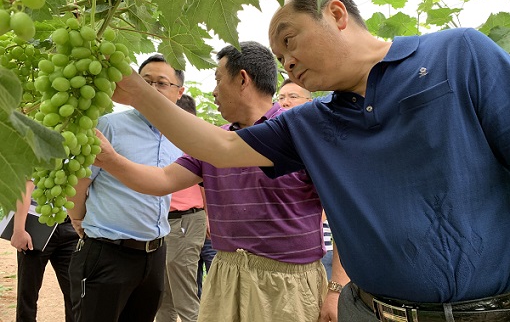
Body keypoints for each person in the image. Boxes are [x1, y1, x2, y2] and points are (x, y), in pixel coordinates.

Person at [107, 0, 510, 322]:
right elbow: (220, 146)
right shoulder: (310, 122)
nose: (288, 63)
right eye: (280, 58)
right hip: (367, 311)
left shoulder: (458, 54)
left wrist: (332, 287)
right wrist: (137, 93)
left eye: (289, 40)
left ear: (336, 14)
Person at [94, 41, 348, 322]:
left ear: (242, 79)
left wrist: (336, 289)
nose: (214, 91)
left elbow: (344, 216)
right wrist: (109, 160)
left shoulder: (299, 132)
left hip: (287, 286)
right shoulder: (212, 142)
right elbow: (162, 179)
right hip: (225, 275)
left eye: (217, 79)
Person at [67, 54, 184, 322]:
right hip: (108, 253)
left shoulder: (180, 136)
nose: (152, 90)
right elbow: (79, 182)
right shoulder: (109, 126)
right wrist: (78, 218)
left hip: (154, 256)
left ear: (179, 92)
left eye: (162, 83)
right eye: (146, 82)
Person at [156, 94, 207, 322]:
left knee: (184, 296)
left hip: (186, 220)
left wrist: (211, 219)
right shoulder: (160, 141)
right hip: (161, 223)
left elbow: (207, 184)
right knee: (163, 297)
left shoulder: (195, 142)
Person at [277, 79, 334, 279]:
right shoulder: (274, 146)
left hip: (318, 243)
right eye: (281, 98)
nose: (285, 103)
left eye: (293, 97)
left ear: (310, 102)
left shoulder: (321, 142)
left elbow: (332, 195)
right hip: (283, 249)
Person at [10, 180, 78, 322]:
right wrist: (19, 230)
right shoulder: (39, 157)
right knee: (28, 291)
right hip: (37, 225)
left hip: (68, 225)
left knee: (74, 293)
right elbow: (25, 188)